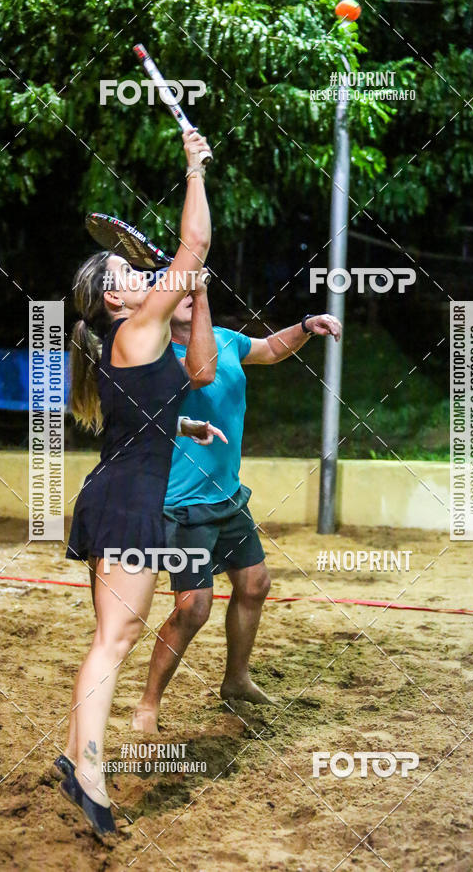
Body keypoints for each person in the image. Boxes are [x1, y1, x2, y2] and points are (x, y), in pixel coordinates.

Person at [59, 129, 226, 840]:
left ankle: (74, 753)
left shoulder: (133, 341)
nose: (138, 274)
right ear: (113, 298)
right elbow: (196, 247)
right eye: (124, 272)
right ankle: (90, 772)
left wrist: (187, 427)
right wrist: (194, 169)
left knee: (111, 635)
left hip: (119, 492)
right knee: (117, 640)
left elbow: (151, 410)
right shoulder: (139, 326)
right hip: (127, 502)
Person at [132, 296, 342, 734]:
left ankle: (236, 680)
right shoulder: (155, 356)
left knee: (255, 584)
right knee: (193, 608)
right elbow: (200, 372)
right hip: (182, 505)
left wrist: (306, 325)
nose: (189, 297)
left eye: (194, 293)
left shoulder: (225, 340)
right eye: (181, 293)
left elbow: (270, 349)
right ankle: (148, 705)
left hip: (227, 498)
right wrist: (200, 293)